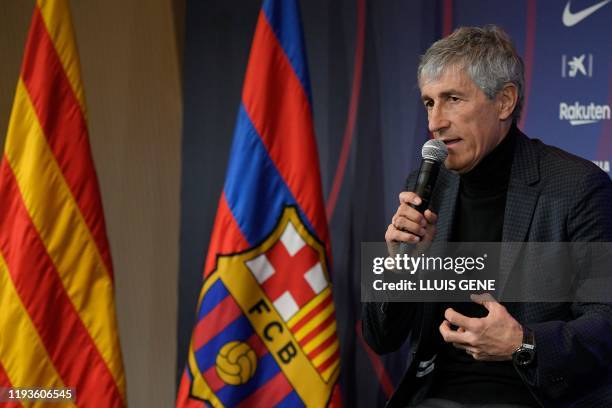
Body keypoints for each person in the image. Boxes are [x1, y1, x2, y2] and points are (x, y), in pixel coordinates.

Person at [362, 26, 612, 407]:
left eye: (453, 99)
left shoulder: (576, 187)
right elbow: (381, 339)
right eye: (429, 102)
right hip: (435, 397)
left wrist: (521, 342)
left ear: (505, 101)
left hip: (531, 396)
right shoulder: (426, 185)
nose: (435, 122)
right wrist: (399, 266)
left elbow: (606, 323)